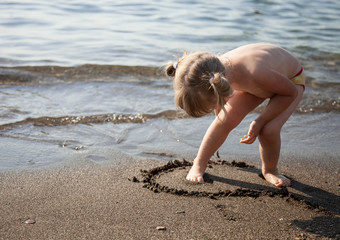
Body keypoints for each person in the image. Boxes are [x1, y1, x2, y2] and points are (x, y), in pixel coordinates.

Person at [165, 43, 305, 187]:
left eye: (214, 103)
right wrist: (219, 113)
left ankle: (271, 170)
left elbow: (290, 93)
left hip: (290, 83)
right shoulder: (213, 69)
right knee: (223, 120)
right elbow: (222, 117)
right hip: (261, 83)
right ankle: (198, 165)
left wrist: (260, 121)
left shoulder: (255, 73)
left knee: (268, 130)